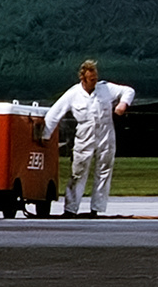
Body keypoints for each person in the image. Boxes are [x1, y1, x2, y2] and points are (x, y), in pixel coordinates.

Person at [42, 60, 135, 217]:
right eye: (91, 79)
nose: (94, 81)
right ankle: (70, 209)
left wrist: (123, 104)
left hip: (106, 134)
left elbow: (128, 91)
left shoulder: (105, 88)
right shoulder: (73, 94)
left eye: (95, 78)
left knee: (104, 170)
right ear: (83, 78)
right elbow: (54, 114)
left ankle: (96, 208)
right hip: (85, 137)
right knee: (78, 172)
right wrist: (45, 135)